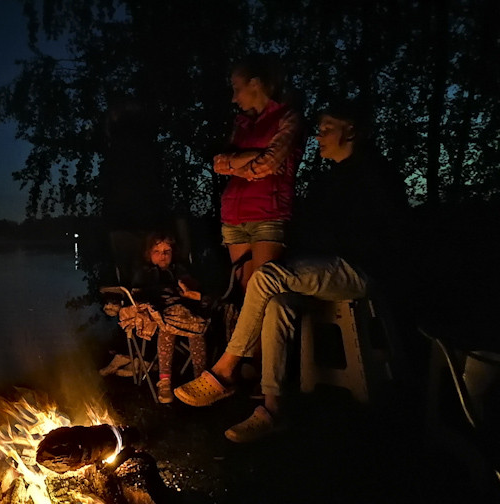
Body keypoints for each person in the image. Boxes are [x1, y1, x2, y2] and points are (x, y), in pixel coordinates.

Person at [174, 98, 408, 442]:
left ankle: (225, 371)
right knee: (278, 299)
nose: (319, 135)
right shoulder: (331, 181)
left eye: (328, 128)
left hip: (362, 269)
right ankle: (273, 409)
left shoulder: (373, 174)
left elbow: (387, 234)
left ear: (352, 131)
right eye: (320, 128)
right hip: (330, 268)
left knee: (268, 275)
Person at [213, 53, 305, 295]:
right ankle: (252, 335)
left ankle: (273, 334)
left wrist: (235, 164)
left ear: (255, 84)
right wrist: (252, 157)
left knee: (264, 292)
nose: (234, 98)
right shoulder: (242, 124)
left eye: (236, 88)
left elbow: (269, 163)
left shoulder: (287, 117)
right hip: (233, 215)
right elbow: (218, 163)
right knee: (244, 292)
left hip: (267, 213)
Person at [132, 233, 209, 404]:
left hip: (184, 313)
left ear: (174, 252)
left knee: (196, 327)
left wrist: (188, 290)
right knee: (168, 328)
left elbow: (192, 289)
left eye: (167, 251)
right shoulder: (145, 273)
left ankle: (201, 380)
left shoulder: (180, 270)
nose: (163, 255)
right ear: (148, 254)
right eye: (157, 251)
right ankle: (165, 381)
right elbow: (138, 294)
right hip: (158, 314)